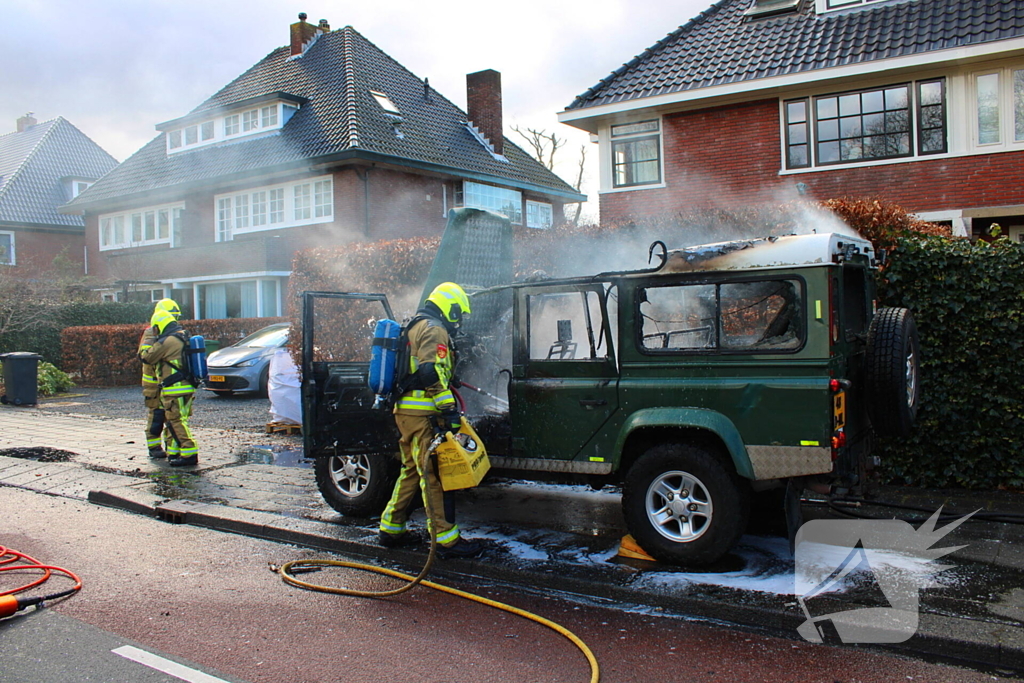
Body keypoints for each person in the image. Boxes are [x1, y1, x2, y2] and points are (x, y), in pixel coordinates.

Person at [378, 282, 483, 559]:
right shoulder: (435, 328)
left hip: (406, 413)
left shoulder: (416, 324)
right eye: (459, 312)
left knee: (412, 470)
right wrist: (448, 409)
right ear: (449, 306)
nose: (459, 319)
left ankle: (391, 528)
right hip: (423, 414)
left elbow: (423, 369)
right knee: (432, 475)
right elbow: (429, 371)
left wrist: (451, 379)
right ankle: (445, 540)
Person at [139, 298, 200, 467]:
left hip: (172, 386)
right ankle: (171, 451)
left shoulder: (166, 339)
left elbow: (147, 356)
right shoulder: (181, 335)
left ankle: (187, 451)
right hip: (165, 385)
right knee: (164, 417)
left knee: (174, 420)